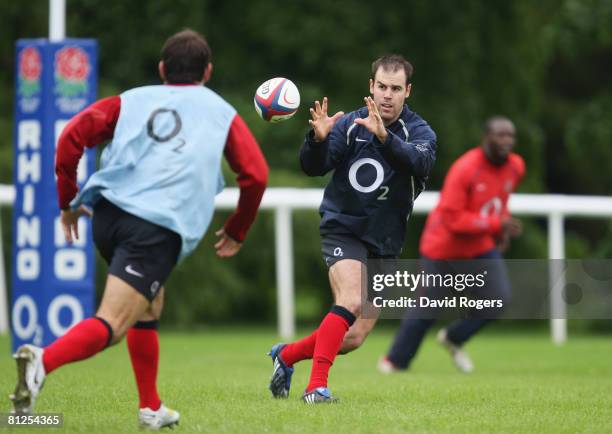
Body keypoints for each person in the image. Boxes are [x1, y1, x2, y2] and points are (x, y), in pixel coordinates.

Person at [10, 29, 269, 429]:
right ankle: (42, 362)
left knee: (150, 304)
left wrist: (68, 201)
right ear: (209, 71)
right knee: (112, 323)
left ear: (162, 68)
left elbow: (71, 137)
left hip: (109, 217)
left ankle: (151, 407)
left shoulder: (129, 101)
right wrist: (237, 229)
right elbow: (255, 175)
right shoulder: (220, 112)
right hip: (153, 227)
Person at [267, 54, 437, 403]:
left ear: (408, 91)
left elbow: (418, 161)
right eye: (381, 87)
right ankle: (316, 388)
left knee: (355, 336)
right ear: (370, 87)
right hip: (343, 227)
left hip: (385, 242)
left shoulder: (420, 133)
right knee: (350, 299)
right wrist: (317, 140)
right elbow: (313, 167)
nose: (387, 95)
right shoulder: (349, 124)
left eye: (395, 88)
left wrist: (385, 138)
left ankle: (286, 356)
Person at [379, 116, 524, 374]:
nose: (506, 141)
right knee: (426, 309)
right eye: (500, 135)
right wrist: (495, 225)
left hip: (478, 246)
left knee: (498, 300)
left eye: (510, 136)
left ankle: (454, 338)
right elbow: (453, 219)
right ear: (485, 138)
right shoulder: (466, 168)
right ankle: (394, 362)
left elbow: (498, 201)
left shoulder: (516, 166)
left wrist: (501, 230)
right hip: (442, 248)